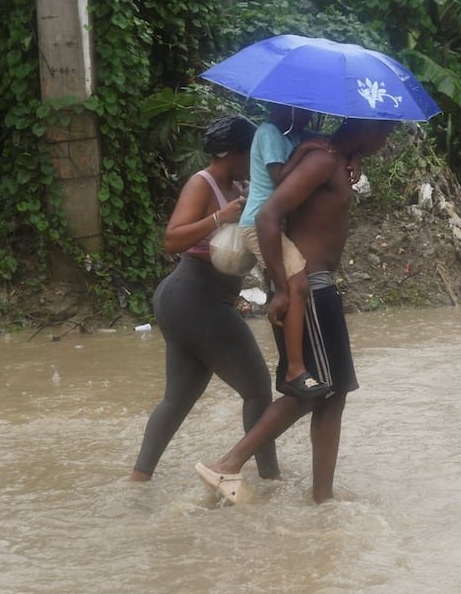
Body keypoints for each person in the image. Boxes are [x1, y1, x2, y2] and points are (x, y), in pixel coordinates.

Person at [195, 117, 395, 504]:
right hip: (310, 290)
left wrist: (353, 157)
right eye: (385, 133)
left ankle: (322, 497)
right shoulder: (322, 160)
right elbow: (268, 215)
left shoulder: (328, 156)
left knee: (329, 395)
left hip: (317, 290)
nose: (386, 142)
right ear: (368, 127)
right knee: (312, 394)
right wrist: (284, 289)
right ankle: (229, 464)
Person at [130, 115, 278, 487]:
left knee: (177, 399)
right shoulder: (203, 184)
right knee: (258, 389)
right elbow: (172, 240)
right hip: (196, 296)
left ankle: (137, 480)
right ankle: (270, 480)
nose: (254, 159)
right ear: (232, 153)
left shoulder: (243, 185)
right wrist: (218, 217)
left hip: (190, 302)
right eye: (251, 152)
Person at [238, 104, 330, 399]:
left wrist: (351, 157)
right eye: (302, 110)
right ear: (286, 109)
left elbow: (331, 145)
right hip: (258, 224)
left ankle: (289, 367)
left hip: (272, 226)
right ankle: (295, 370)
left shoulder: (294, 136)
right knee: (296, 285)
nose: (307, 116)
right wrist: (305, 152)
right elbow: (280, 178)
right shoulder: (268, 132)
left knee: (295, 286)